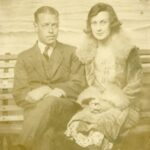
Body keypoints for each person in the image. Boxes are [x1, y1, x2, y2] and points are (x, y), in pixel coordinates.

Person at [65, 2, 143, 150]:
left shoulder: (126, 50)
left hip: (125, 106)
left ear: (112, 23)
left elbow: (135, 85)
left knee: (99, 128)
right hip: (97, 105)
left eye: (103, 22)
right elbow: (88, 85)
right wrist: (92, 100)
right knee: (78, 125)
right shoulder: (88, 51)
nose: (98, 28)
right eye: (94, 23)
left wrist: (110, 103)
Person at [12, 6, 86, 150]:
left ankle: (20, 146)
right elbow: (19, 94)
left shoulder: (72, 52)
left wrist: (49, 89)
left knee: (50, 101)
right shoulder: (24, 57)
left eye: (55, 25)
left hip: (66, 111)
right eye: (46, 25)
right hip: (36, 114)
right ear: (35, 26)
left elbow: (79, 84)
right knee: (47, 135)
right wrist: (31, 96)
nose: (51, 30)